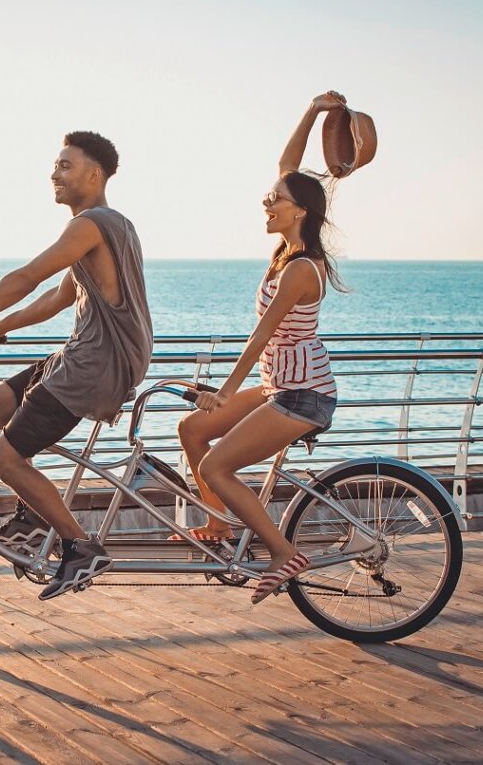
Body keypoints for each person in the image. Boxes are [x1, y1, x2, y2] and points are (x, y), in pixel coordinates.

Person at [0, 131, 153, 601]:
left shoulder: (91, 224)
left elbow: (25, 278)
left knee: (1, 457)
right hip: (84, 355)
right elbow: (56, 298)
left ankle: (80, 547)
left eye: (65, 165)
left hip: (94, 364)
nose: (54, 174)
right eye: (55, 165)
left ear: (93, 174)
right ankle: (35, 512)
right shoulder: (107, 227)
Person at [176, 92, 350, 604]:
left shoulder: (300, 268)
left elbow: (262, 337)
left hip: (302, 396)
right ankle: (219, 524)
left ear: (300, 211)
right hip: (281, 386)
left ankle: (282, 552)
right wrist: (314, 112)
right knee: (191, 430)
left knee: (215, 467)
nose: (266, 203)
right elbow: (287, 167)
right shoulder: (290, 251)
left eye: (275, 201)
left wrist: (225, 392)